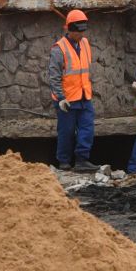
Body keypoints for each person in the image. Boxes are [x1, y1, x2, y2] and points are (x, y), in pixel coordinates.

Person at [47, 9, 96, 172]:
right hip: (66, 98)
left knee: (87, 128)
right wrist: (60, 98)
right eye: (78, 32)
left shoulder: (85, 43)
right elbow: (54, 76)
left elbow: (85, 70)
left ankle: (82, 160)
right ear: (68, 29)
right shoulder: (58, 49)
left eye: (83, 31)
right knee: (66, 131)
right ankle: (64, 162)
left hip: (83, 95)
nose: (81, 35)